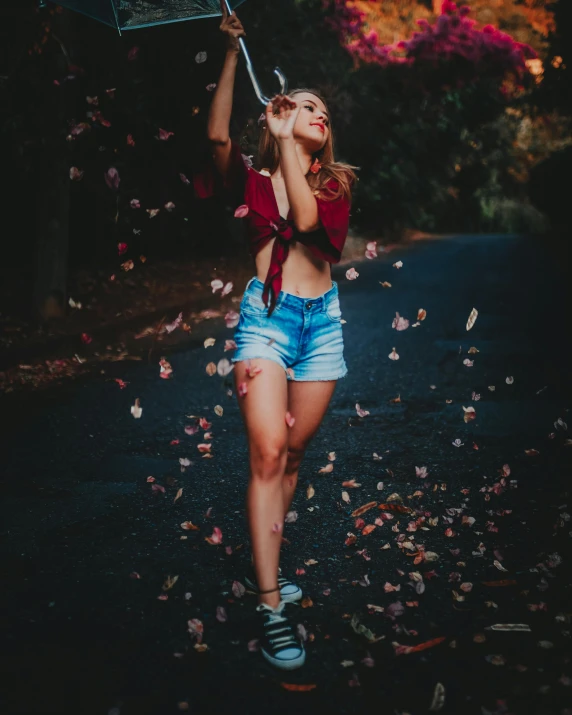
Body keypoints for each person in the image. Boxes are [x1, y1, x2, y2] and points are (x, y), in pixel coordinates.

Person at [194, 1, 357, 670]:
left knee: (290, 456)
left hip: (322, 329)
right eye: (305, 106)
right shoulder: (254, 180)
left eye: (322, 112)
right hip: (266, 322)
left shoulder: (337, 183)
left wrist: (290, 140)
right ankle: (271, 606)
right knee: (266, 452)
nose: (316, 113)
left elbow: (312, 218)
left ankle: (271, 562)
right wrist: (232, 55)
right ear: (283, 116)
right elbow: (213, 141)